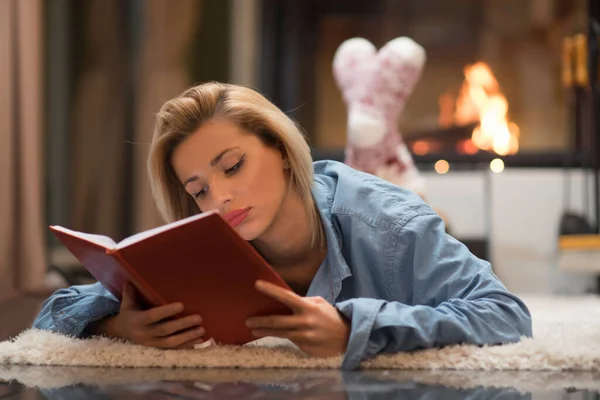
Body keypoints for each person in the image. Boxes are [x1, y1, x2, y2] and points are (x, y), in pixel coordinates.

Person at [33, 82, 532, 370]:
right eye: (198, 189)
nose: (219, 197)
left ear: (283, 150)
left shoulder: (389, 225)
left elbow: (506, 316)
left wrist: (354, 329)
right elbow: (53, 316)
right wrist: (116, 326)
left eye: (231, 167)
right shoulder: (205, 241)